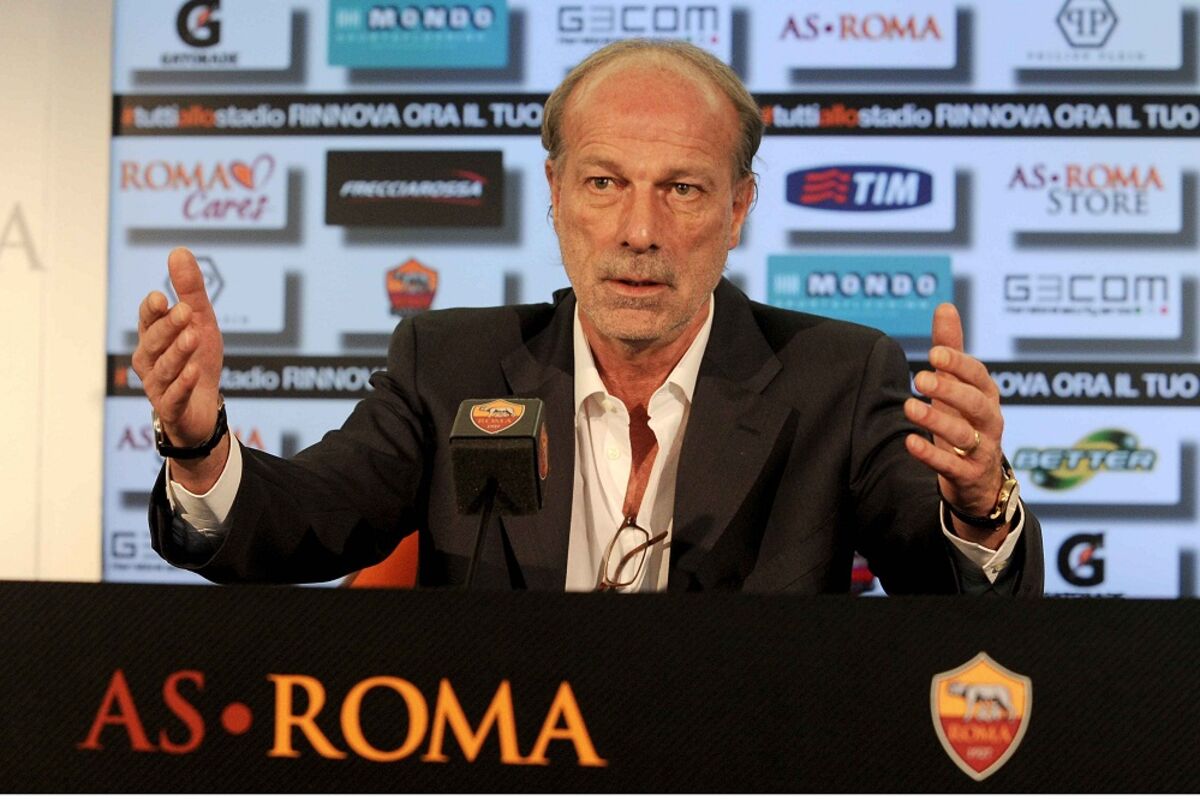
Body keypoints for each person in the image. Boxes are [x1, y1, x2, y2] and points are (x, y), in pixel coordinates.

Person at [134, 39, 1042, 594]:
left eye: (683, 189)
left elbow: (952, 595)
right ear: (557, 192)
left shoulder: (837, 377)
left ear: (737, 209)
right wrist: (200, 449)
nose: (639, 231)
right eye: (605, 183)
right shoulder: (450, 364)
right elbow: (306, 519)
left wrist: (979, 507)